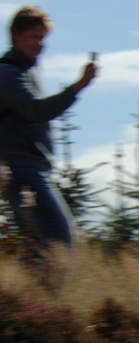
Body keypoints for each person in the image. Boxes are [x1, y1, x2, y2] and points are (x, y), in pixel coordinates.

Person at [0, 5, 97, 249]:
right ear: (16, 36)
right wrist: (78, 86)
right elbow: (36, 111)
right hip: (22, 168)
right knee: (59, 239)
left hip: (31, 166)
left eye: (42, 38)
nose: (40, 44)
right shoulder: (8, 73)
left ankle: (34, 275)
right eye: (34, 37)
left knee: (40, 244)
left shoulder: (25, 71)